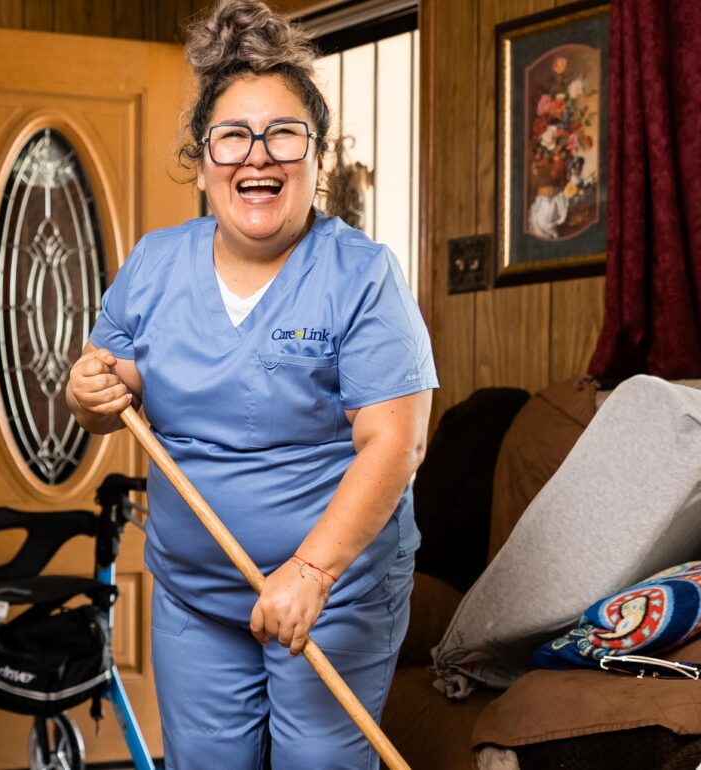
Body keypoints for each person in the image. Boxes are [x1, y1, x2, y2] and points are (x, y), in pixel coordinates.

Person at [66, 2, 438, 767]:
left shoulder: (363, 276)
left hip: (333, 587)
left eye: (283, 135)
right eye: (232, 136)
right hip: (194, 592)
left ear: (317, 157)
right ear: (201, 160)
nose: (256, 157)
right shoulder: (155, 265)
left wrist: (311, 572)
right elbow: (113, 393)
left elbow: (394, 443)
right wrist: (87, 396)